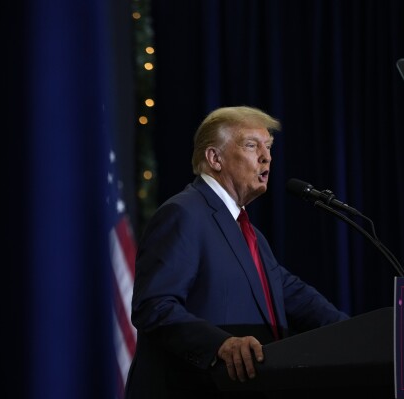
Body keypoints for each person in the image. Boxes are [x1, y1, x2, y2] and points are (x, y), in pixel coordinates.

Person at [124, 105, 349, 399]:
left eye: (268, 147)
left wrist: (358, 332)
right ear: (214, 158)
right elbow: (153, 306)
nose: (266, 157)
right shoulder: (183, 214)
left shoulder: (249, 235)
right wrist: (220, 345)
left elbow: (296, 296)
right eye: (251, 145)